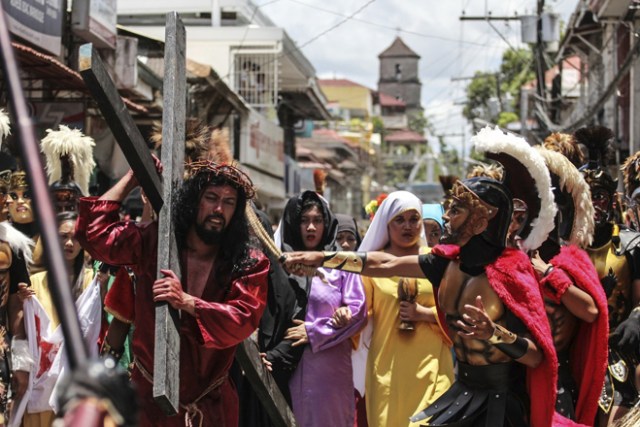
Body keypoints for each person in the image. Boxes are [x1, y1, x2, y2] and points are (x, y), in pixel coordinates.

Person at [75, 158, 269, 427]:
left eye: (228, 202)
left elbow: (243, 317)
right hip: (148, 403)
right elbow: (93, 233)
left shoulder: (248, 261)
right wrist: (133, 176)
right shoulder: (155, 242)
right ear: (194, 201)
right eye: (211, 197)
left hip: (210, 408)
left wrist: (187, 302)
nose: (218, 209)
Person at [355, 191, 453, 427]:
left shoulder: (436, 261)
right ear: (387, 224)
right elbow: (359, 313)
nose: (408, 226)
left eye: (414, 219)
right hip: (388, 371)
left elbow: (456, 311)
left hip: (433, 366)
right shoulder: (373, 265)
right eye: (400, 220)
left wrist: (425, 314)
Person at [532, 146, 608, 424]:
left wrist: (550, 273)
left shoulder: (571, 262)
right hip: (518, 379)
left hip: (559, 382)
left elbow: (590, 311)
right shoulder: (511, 259)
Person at [278, 190, 366, 427]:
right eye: (304, 220)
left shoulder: (341, 264)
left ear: (326, 224)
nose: (310, 227)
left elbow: (359, 312)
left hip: (329, 372)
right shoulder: (281, 264)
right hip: (286, 366)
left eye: (317, 220)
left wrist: (315, 331)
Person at [575, 126, 640, 425]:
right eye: (587, 196)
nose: (593, 205)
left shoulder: (631, 246)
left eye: (599, 196)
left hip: (621, 352)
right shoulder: (563, 249)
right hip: (576, 352)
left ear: (612, 200)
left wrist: (636, 318)